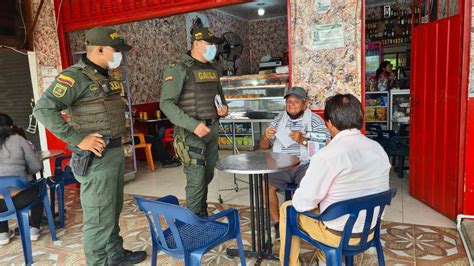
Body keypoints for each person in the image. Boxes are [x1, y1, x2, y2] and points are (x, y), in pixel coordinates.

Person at [33, 27, 146, 265]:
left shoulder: (104, 76)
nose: (120, 56)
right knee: (98, 218)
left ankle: (115, 254)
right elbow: (43, 109)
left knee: (111, 211)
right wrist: (78, 138)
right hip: (96, 158)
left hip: (113, 152)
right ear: (100, 49)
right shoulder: (75, 76)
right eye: (116, 51)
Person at [279, 94, 391, 265]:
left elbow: (302, 204)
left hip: (338, 235)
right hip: (370, 230)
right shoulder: (378, 149)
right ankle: (324, 260)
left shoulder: (327, 155)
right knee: (328, 203)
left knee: (287, 209)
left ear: (329, 123)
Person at [160, 27, 227, 216]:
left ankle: (201, 213)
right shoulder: (179, 69)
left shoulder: (212, 70)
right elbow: (166, 104)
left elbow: (219, 98)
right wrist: (193, 125)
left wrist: (222, 109)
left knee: (208, 174)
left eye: (214, 44)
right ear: (196, 44)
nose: (213, 47)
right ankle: (193, 223)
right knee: (196, 178)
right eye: (209, 43)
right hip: (190, 134)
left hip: (211, 130)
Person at [259, 86, 329, 238]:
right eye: (288, 101)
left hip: (304, 165)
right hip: (281, 165)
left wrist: (303, 140)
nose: (291, 104)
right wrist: (265, 137)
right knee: (265, 185)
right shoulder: (279, 119)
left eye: (296, 102)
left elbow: (326, 146)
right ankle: (278, 223)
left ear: (305, 104)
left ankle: (303, 224)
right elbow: (263, 146)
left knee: (310, 186)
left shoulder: (315, 121)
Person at [0, 113, 43, 245]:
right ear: (11, 127)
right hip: (20, 199)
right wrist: (24, 172)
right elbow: (36, 166)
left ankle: (3, 234)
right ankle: (34, 229)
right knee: (40, 186)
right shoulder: (18, 140)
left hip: (0, 204)